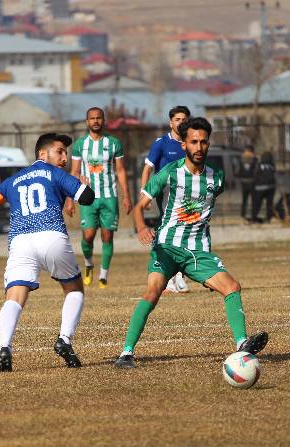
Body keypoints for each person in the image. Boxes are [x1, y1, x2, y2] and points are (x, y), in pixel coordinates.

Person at [114, 117, 269, 369]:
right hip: (166, 246)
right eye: (193, 142)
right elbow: (140, 207)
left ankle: (242, 345)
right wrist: (141, 227)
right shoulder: (170, 172)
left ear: (208, 144)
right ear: (184, 145)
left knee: (232, 287)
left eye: (203, 142)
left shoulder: (216, 177)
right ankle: (126, 353)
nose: (199, 147)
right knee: (152, 293)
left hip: (197, 251)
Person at [0, 132, 96, 373]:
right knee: (74, 289)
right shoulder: (56, 173)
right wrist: (84, 185)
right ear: (43, 154)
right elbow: (87, 198)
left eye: (66, 152)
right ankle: (64, 339)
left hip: (20, 241)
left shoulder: (13, 180)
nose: (65, 156)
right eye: (60, 151)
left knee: (15, 297)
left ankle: (4, 347)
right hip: (51, 236)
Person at [64, 107, 131, 289]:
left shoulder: (114, 143)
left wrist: (127, 196)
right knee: (88, 235)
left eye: (99, 118)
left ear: (103, 121)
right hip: (88, 198)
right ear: (87, 122)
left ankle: (103, 276)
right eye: (92, 118)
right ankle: (88, 265)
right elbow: (75, 172)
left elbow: (121, 170)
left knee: (107, 236)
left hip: (109, 196)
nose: (95, 121)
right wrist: (70, 199)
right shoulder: (79, 145)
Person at [141, 105, 192, 294]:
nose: (181, 122)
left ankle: (180, 275)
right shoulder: (161, 143)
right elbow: (147, 168)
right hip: (167, 196)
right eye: (177, 119)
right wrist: (144, 193)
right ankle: (167, 276)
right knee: (166, 232)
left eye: (184, 119)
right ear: (171, 123)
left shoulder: (190, 142)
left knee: (187, 231)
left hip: (188, 195)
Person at [251, 151, 276, 223]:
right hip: (271, 187)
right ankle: (268, 218)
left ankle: (254, 217)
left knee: (257, 203)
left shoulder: (260, 165)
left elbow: (255, 174)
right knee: (269, 204)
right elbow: (274, 172)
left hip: (260, 187)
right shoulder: (272, 165)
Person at [237, 145, 258, 221]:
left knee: (244, 200)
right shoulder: (255, 159)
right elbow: (257, 170)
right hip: (252, 182)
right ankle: (253, 216)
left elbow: (238, 170)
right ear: (252, 151)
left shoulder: (241, 159)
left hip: (243, 182)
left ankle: (243, 215)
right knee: (253, 200)